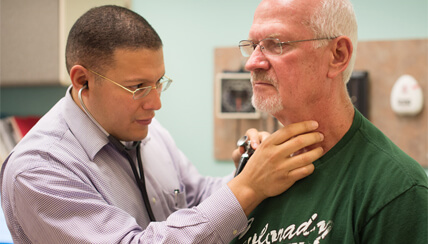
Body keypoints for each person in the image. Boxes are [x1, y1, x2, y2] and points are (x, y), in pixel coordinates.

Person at [0, 5, 325, 243]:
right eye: (138, 87)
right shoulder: (39, 168)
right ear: (83, 80)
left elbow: (196, 196)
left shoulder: (145, 129)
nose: (155, 102)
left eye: (159, 82)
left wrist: (249, 167)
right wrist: (249, 186)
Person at [231, 0, 428, 243]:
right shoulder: (256, 172)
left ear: (338, 55)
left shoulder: (396, 190)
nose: (252, 63)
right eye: (253, 46)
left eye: (276, 45)